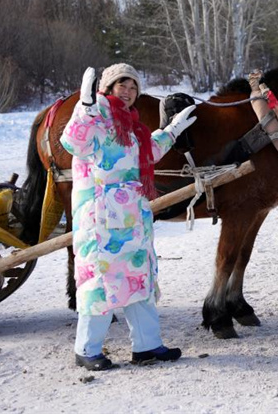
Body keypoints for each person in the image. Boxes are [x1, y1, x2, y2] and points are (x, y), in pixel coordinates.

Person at [61, 63, 197, 370]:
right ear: (108, 88)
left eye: (134, 87)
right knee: (99, 283)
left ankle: (147, 346)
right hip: (101, 221)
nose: (129, 91)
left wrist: (172, 130)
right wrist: (84, 109)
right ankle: (87, 349)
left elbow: (147, 153)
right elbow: (73, 142)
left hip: (132, 218)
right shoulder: (96, 119)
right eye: (122, 85)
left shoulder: (133, 126)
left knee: (139, 279)